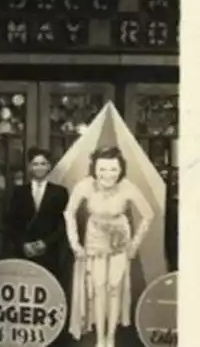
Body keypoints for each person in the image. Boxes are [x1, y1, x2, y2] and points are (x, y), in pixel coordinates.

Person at [64, 147, 155, 347]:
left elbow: (148, 214)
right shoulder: (85, 185)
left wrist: (134, 244)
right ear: (94, 168)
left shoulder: (127, 186)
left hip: (119, 238)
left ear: (121, 169)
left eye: (113, 169)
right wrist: (75, 244)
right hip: (94, 237)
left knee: (114, 287)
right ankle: (99, 338)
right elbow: (68, 212)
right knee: (98, 287)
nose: (108, 174)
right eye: (102, 169)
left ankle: (111, 338)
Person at [7, 147, 70, 281]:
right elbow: (12, 223)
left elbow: (63, 224)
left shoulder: (59, 192)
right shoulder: (19, 192)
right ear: (29, 167)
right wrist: (23, 244)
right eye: (35, 164)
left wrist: (46, 243)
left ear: (49, 166)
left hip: (50, 253)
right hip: (24, 252)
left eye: (43, 164)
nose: (39, 167)